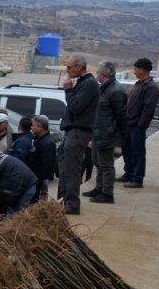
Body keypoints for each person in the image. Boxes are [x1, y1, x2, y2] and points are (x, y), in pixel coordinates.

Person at [58, 54, 99, 215]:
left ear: (79, 67)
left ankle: (72, 204)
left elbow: (76, 107)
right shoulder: (84, 82)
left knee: (71, 170)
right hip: (73, 130)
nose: (67, 71)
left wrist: (68, 91)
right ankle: (65, 199)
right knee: (63, 166)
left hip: (78, 131)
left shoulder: (89, 84)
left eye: (69, 67)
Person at [84, 61, 128, 204]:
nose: (96, 75)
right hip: (98, 132)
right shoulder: (103, 88)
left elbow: (121, 115)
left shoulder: (116, 91)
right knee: (97, 162)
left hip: (107, 133)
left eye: (98, 73)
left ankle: (107, 193)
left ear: (103, 74)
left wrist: (120, 134)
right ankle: (99, 188)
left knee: (106, 164)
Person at [119, 58, 159, 189]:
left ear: (143, 70)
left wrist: (141, 125)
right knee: (126, 150)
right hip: (129, 123)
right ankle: (129, 173)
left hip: (137, 126)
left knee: (138, 152)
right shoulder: (139, 84)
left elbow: (149, 109)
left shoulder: (151, 87)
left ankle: (137, 178)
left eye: (136, 69)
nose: (134, 71)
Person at [28, 115, 57, 201]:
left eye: (33, 125)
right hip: (36, 176)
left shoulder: (47, 143)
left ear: (40, 127)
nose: (31, 127)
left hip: (40, 179)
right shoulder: (39, 139)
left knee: (38, 201)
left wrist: (37, 178)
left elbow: (47, 165)